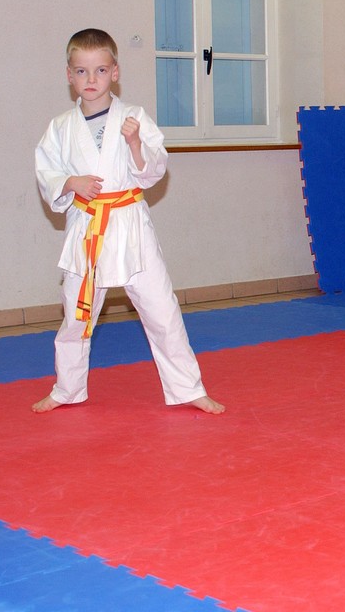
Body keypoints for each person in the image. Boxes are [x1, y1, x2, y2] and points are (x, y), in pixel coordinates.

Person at [32, 29, 225, 414]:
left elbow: (154, 171)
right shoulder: (60, 128)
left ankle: (188, 388)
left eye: (100, 70)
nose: (91, 80)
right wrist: (71, 182)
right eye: (82, 71)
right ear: (69, 75)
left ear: (115, 72)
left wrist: (136, 144)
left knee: (162, 310)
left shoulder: (134, 117)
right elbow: (46, 172)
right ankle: (67, 388)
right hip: (87, 227)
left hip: (130, 225)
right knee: (76, 315)